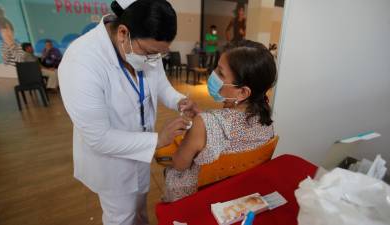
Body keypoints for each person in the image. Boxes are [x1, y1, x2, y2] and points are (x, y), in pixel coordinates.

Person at [58, 0, 199, 225]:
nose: (155, 60)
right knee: (121, 217)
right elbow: (99, 137)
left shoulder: (143, 47)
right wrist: (158, 139)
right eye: (151, 53)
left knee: (139, 209)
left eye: (160, 55)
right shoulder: (81, 62)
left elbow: (160, 84)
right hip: (111, 163)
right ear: (123, 33)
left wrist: (179, 100)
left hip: (140, 152)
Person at [164, 40, 277, 202]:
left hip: (198, 197)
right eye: (216, 67)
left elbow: (179, 164)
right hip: (235, 192)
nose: (213, 74)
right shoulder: (266, 120)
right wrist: (203, 118)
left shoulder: (204, 124)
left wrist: (199, 124)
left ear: (243, 92)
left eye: (221, 73)